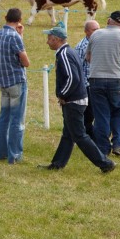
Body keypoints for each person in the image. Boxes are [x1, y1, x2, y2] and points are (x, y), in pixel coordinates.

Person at [41, 26, 115, 173]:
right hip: (77, 99)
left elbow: (72, 78)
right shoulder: (69, 51)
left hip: (73, 101)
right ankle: (57, 164)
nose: (47, 42)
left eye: (49, 39)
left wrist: (63, 95)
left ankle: (105, 163)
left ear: (57, 39)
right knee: (68, 134)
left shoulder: (64, 54)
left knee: (80, 136)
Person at [86, 10, 120, 158]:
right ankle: (117, 143)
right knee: (117, 111)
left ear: (109, 21)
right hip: (115, 79)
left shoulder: (96, 34)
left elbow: (88, 57)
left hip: (95, 79)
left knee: (101, 114)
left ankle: (103, 148)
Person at [0, 8, 30, 163]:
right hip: (16, 81)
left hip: (3, 82)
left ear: (5, 17)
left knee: (4, 118)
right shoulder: (14, 36)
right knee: (17, 120)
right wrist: (20, 36)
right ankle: (14, 155)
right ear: (19, 20)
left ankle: (2, 152)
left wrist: (20, 35)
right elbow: (25, 62)